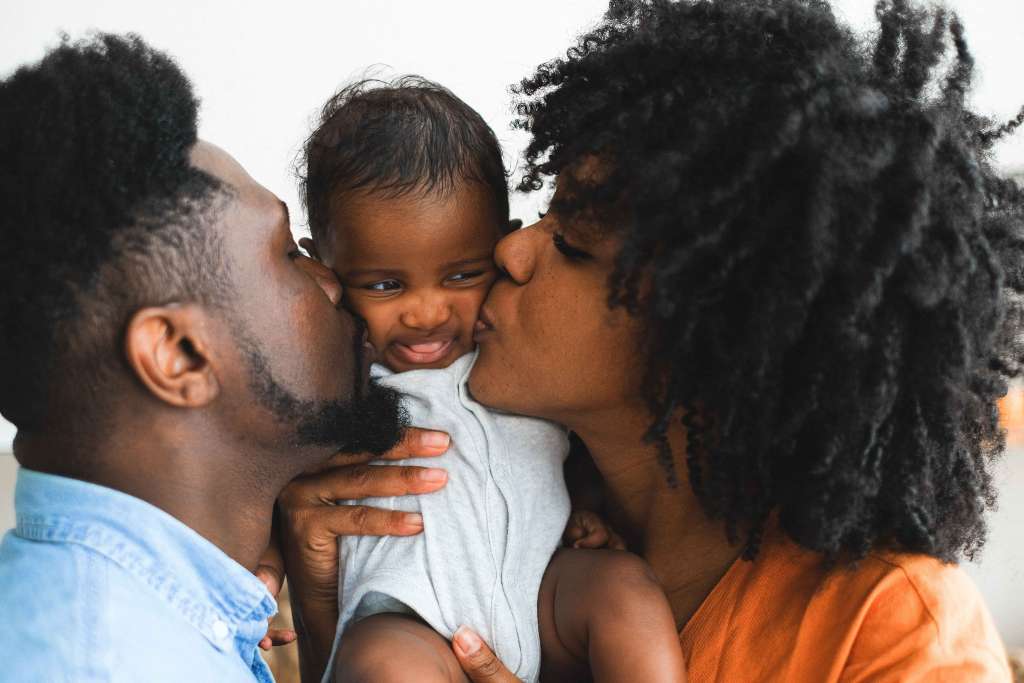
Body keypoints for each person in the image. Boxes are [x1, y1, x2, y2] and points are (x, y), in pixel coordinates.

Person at [278, 0, 1023, 680]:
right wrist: (329, 613)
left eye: (571, 244)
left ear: (705, 328)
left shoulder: (893, 629)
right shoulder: (476, 501)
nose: (510, 253)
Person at [0, 33, 435, 682]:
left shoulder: (156, 627)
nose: (334, 281)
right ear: (179, 355)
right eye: (290, 254)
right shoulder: (99, 663)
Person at [297, 77, 687, 683]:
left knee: (623, 589)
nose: (426, 312)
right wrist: (266, 559)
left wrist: (582, 506)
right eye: (384, 285)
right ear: (325, 273)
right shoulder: (335, 372)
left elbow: (571, 447)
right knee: (381, 666)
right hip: (407, 613)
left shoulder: (519, 359)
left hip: (540, 590)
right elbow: (269, 471)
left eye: (460, 275)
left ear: (500, 243)